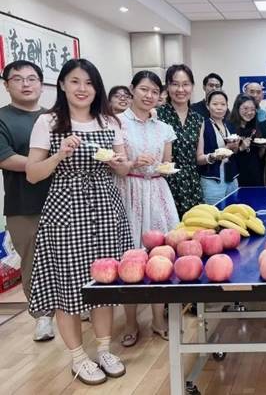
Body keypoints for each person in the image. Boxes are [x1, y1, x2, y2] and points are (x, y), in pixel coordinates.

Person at [26, 58, 132, 385]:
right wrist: (59, 155)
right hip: (66, 211)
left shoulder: (109, 121)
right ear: (62, 84)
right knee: (68, 286)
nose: (82, 88)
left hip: (106, 208)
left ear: (97, 88)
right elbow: (32, 174)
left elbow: (124, 169)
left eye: (89, 83)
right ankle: (77, 357)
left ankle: (104, 350)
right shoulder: (48, 121)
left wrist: (119, 162)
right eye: (75, 81)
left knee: (104, 283)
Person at [116, 70, 180, 346]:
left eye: (155, 91)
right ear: (132, 89)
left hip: (157, 191)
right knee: (129, 255)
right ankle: (130, 322)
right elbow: (114, 164)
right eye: (144, 89)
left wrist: (162, 168)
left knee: (160, 255)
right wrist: (133, 163)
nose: (149, 95)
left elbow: (167, 163)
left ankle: (157, 318)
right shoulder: (116, 123)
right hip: (128, 190)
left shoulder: (163, 127)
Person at [0, 60, 54, 342]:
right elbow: (6, 158)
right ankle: (42, 316)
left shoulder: (54, 117)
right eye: (18, 79)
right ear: (6, 85)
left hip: (62, 200)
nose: (26, 84)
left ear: (41, 85)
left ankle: (76, 307)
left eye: (32, 78)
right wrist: (50, 163)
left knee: (70, 255)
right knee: (33, 260)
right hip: (23, 204)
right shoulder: (3, 118)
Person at [156, 65, 203, 218]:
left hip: (192, 183)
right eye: (175, 84)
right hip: (165, 182)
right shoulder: (157, 115)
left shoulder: (198, 119)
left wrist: (212, 157)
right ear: (167, 87)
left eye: (185, 84)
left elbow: (198, 157)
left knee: (195, 226)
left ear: (192, 86)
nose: (180, 89)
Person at [196, 90, 240, 205]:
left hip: (231, 177)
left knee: (233, 211)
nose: (219, 107)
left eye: (223, 104)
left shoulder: (229, 125)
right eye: (215, 104)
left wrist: (236, 146)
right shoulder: (203, 125)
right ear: (207, 106)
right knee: (214, 212)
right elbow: (199, 159)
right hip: (212, 179)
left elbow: (234, 152)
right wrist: (220, 152)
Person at [229, 95, 263, 187]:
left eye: (253, 109)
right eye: (245, 108)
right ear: (237, 108)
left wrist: (264, 147)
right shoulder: (229, 127)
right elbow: (225, 154)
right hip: (236, 175)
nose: (249, 112)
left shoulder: (255, 127)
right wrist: (240, 148)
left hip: (255, 174)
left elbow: (258, 155)